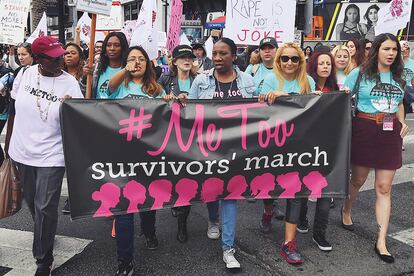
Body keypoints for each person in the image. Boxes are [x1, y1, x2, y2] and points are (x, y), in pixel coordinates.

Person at [7, 36, 83, 276]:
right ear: (39, 59)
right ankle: (45, 231)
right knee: (32, 203)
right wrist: (8, 144)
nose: (60, 60)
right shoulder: (25, 74)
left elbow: (79, 122)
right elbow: (13, 109)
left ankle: (43, 259)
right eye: (53, 58)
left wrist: (71, 111)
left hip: (52, 155)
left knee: (45, 206)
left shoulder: (70, 83)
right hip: (22, 151)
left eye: (61, 55)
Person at [188, 37, 257, 269]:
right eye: (214, 53)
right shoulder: (201, 81)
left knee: (230, 196)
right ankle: (213, 218)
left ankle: (228, 249)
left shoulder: (247, 81)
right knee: (212, 189)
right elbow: (188, 113)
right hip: (208, 149)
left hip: (238, 150)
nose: (217, 58)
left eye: (223, 53)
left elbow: (259, 113)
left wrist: (270, 98)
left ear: (233, 56)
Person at [342, 33, 409, 264]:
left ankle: (381, 241)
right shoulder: (358, 74)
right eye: (386, 49)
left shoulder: (399, 77)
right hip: (365, 129)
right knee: (358, 180)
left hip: (390, 134)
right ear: (376, 50)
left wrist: (402, 120)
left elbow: (400, 103)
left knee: (384, 187)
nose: (391, 54)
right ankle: (346, 209)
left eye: (394, 50)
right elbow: (341, 98)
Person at [107, 46, 171, 276]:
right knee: (123, 207)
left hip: (147, 155)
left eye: (141, 59)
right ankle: (125, 260)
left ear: (148, 64)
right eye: (132, 59)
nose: (137, 63)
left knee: (146, 199)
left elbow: (167, 113)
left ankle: (149, 230)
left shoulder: (156, 89)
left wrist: (171, 100)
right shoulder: (118, 85)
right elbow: (108, 89)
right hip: (121, 154)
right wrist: (124, 70)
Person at [260, 42, 315, 264]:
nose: (289, 62)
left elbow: (314, 107)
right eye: (285, 58)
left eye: (294, 59)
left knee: (296, 190)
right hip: (274, 142)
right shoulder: (271, 79)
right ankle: (268, 209)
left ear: (301, 61)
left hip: (299, 143)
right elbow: (259, 108)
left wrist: (286, 95)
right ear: (278, 60)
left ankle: (289, 243)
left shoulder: (307, 81)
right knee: (270, 184)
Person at [293, 51, 339, 252]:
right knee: (304, 185)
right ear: (314, 65)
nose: (325, 67)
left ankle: (320, 233)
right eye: (321, 63)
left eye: (328, 63)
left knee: (325, 191)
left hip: (329, 146)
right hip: (307, 145)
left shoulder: (337, 89)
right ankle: (302, 216)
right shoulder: (306, 85)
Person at [157, 44, 197, 242]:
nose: (187, 60)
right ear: (174, 61)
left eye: (190, 57)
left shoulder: (200, 80)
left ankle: (183, 224)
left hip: (193, 136)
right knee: (174, 177)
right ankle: (175, 204)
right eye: (182, 57)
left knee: (187, 182)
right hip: (171, 136)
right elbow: (153, 99)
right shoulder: (165, 80)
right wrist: (165, 99)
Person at [82, 32, 129, 99]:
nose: (112, 48)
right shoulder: (96, 70)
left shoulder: (128, 70)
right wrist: (85, 77)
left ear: (123, 47)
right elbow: (83, 94)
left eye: (117, 45)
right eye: (108, 45)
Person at [400, 40, 414, 116]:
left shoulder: (412, 63)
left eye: (407, 49)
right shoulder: (396, 63)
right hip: (397, 90)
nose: (405, 51)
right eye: (403, 49)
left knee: (403, 114)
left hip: (408, 93)